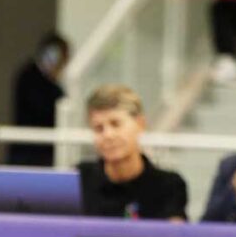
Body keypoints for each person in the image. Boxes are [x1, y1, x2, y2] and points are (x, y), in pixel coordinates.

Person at [78, 84, 187, 220]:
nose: (108, 135)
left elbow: (175, 235)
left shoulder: (169, 186)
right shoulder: (79, 179)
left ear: (140, 124)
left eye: (115, 124)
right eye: (99, 128)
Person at [8, 33, 69, 167]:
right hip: (27, 153)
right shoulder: (29, 77)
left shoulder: (49, 83)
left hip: (44, 153)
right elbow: (42, 110)